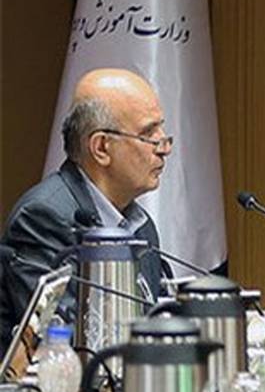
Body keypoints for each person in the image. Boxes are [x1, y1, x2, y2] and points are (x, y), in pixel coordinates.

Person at [0, 68, 173, 354]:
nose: (164, 147)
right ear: (101, 147)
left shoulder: (139, 224)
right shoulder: (43, 218)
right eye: (148, 133)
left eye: (161, 130)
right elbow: (65, 342)